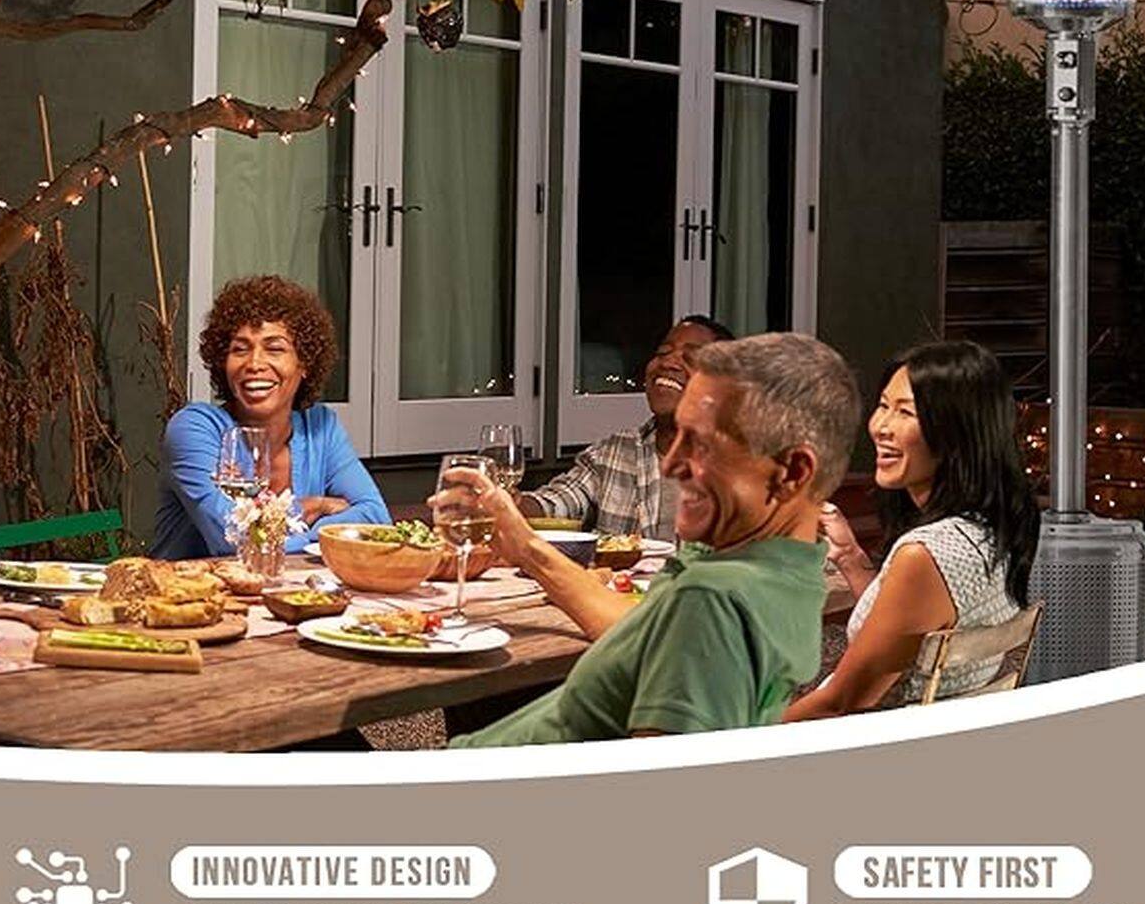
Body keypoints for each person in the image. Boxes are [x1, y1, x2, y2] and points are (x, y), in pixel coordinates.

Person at [441, 333, 861, 746]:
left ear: (793, 472)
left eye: (701, 445)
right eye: (677, 437)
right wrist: (526, 546)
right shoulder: (794, 570)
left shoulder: (710, 599)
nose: (670, 465)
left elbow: (662, 783)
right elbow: (642, 636)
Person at [784, 342, 1039, 719]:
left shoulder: (927, 554)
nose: (881, 427)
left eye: (905, 412)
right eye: (883, 406)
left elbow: (841, 703)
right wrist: (851, 556)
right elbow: (904, 631)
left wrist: (738, 739)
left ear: (957, 433)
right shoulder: (991, 527)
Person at [152, 275, 390, 558]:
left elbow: (375, 519)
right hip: (188, 586)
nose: (254, 363)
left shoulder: (321, 427)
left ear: (305, 363)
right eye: (240, 349)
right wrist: (311, 510)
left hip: (291, 585)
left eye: (275, 349)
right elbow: (233, 541)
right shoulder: (195, 429)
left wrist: (301, 532)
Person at [520, 315, 734, 540]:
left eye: (691, 358)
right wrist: (511, 503)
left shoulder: (742, 467)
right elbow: (557, 502)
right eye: (663, 352)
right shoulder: (614, 452)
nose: (668, 363)